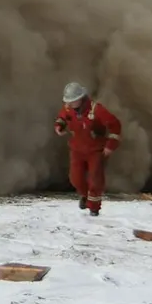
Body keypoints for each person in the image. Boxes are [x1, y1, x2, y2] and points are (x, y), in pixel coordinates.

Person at [53, 81, 122, 216]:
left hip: (95, 150)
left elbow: (115, 125)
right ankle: (85, 196)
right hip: (77, 149)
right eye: (68, 101)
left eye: (73, 101)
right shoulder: (68, 108)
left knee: (95, 179)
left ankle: (94, 207)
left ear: (80, 98)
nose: (70, 104)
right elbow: (62, 117)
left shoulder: (97, 110)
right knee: (75, 178)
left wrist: (110, 146)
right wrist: (59, 126)